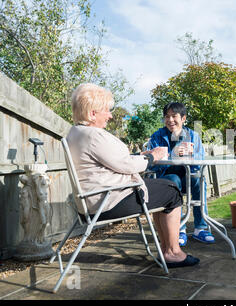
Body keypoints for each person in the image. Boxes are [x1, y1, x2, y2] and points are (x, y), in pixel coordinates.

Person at [66, 83, 199, 268]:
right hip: (108, 202)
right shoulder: (94, 136)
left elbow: (113, 160)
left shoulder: (75, 133)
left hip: (92, 200)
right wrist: (153, 156)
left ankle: (165, 248)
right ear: (92, 114)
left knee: (163, 188)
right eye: (106, 110)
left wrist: (140, 156)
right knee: (172, 191)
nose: (111, 115)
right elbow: (126, 166)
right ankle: (172, 252)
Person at [147, 102, 215, 247]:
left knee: (198, 179)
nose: (170, 120)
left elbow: (200, 160)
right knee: (173, 180)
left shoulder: (192, 135)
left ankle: (200, 228)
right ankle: (178, 229)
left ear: (183, 118)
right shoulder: (157, 136)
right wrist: (172, 154)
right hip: (166, 177)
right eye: (167, 117)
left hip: (188, 176)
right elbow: (151, 161)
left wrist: (189, 156)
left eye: (174, 116)